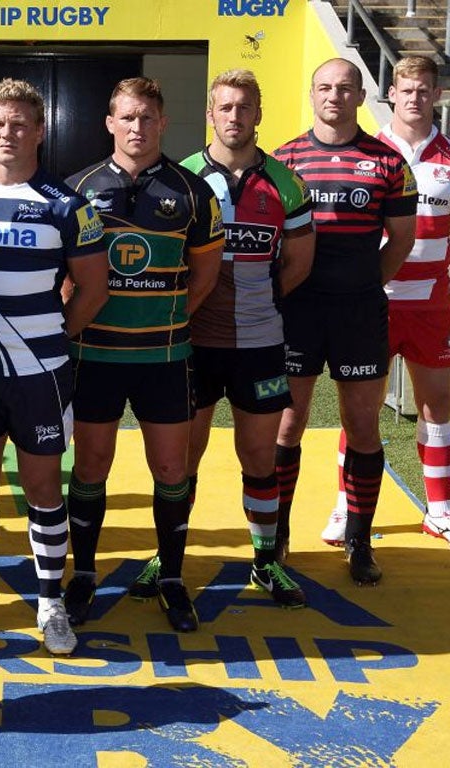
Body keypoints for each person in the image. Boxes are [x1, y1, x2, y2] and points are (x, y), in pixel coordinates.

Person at [63, 76, 224, 633]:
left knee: (172, 469)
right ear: (110, 123)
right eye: (127, 117)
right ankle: (82, 574)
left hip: (165, 357)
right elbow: (67, 279)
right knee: (89, 467)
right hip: (97, 356)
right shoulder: (77, 189)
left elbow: (203, 277)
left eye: (148, 118)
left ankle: (173, 579)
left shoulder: (192, 191)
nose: (138, 127)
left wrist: (167, 320)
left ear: (163, 123)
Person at [0, 78, 107, 655]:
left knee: (43, 487)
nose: (8, 134)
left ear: (39, 130)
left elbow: (93, 289)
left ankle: (49, 600)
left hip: (42, 371)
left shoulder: (68, 203)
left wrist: (52, 338)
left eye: (20, 124)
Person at [174, 69, 315, 608]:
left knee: (259, 455)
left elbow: (300, 261)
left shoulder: (285, 182)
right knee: (181, 457)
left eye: (245, 108)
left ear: (259, 114)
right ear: (211, 114)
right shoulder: (183, 176)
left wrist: (256, 301)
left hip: (260, 342)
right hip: (192, 342)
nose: (234, 117)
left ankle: (264, 561)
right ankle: (170, 556)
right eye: (225, 107)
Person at [273, 58, 417, 585]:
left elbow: (401, 239)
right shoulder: (285, 159)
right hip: (298, 311)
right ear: (312, 95)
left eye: (345, 88)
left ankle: (359, 541)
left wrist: (364, 284)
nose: (334, 95)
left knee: (361, 426)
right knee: (287, 424)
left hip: (358, 313)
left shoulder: (387, 161)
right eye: (325, 87)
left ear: (361, 96)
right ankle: (278, 534)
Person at [319, 56, 450, 548]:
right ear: (390, 94)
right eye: (406, 90)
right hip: (374, 300)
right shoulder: (370, 152)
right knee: (361, 409)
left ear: (435, 96)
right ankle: (343, 507)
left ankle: (439, 510)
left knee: (437, 404)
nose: (414, 98)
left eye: (424, 91)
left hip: (433, 304)